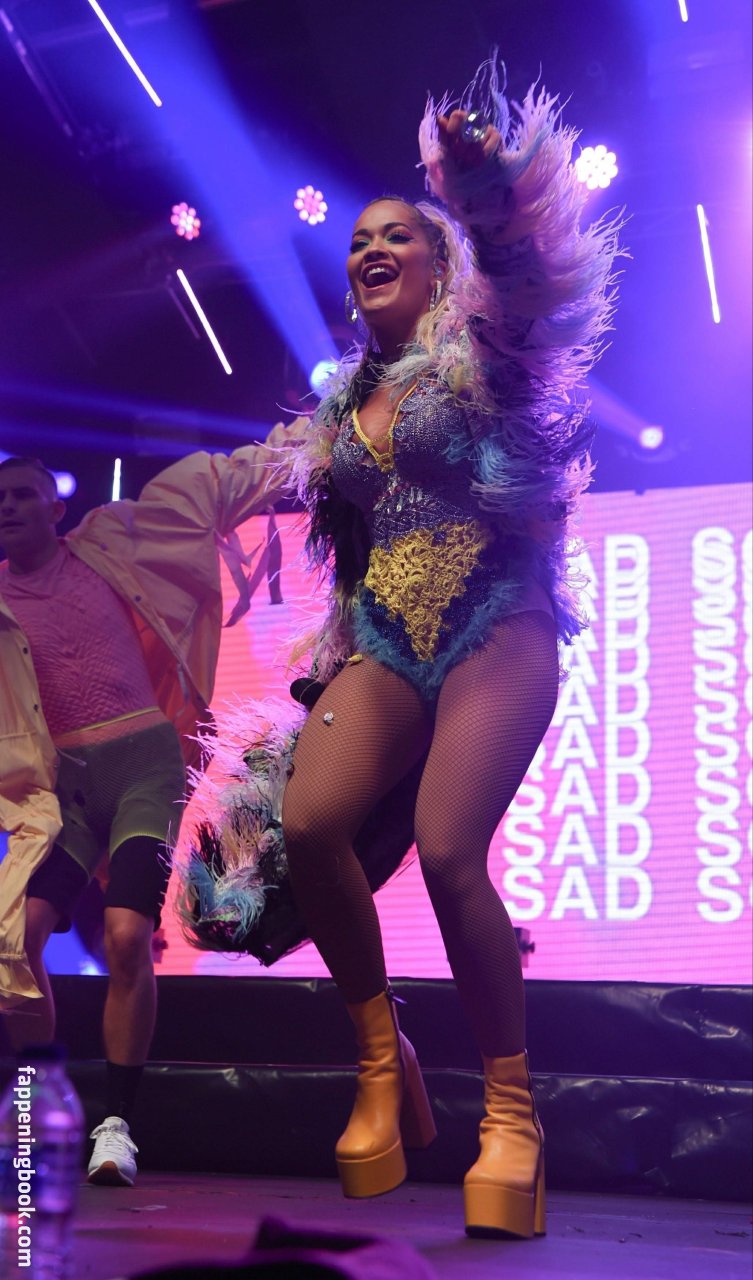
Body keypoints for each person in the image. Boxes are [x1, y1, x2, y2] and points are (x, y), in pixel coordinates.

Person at [269, 62, 620, 1238]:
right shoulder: (339, 409)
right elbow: (353, 547)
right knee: (309, 823)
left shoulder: (479, 352)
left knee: (448, 847)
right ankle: (385, 1064)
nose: (370, 248)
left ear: (436, 261)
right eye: (357, 240)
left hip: (495, 623)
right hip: (387, 640)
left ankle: (511, 1115)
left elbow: (524, 279)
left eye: (396, 235)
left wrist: (480, 184)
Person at [0, 425, 301, 1185]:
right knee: (17, 943)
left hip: (143, 763)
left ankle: (115, 1127)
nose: (7, 507)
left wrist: (317, 436)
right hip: (61, 792)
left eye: (22, 495)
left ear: (55, 511)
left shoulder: (112, 544)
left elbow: (216, 485)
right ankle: (37, 1110)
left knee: (129, 936)